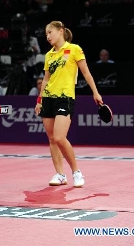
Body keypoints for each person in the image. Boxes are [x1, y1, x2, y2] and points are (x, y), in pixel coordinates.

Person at [35, 20, 103, 188]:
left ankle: (76, 172)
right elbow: (46, 79)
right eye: (46, 34)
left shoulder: (74, 49)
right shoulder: (49, 55)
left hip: (65, 97)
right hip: (48, 98)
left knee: (59, 137)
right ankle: (60, 175)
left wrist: (95, 92)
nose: (48, 36)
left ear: (61, 31)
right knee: (51, 139)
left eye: (50, 32)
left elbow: (86, 73)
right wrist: (39, 100)